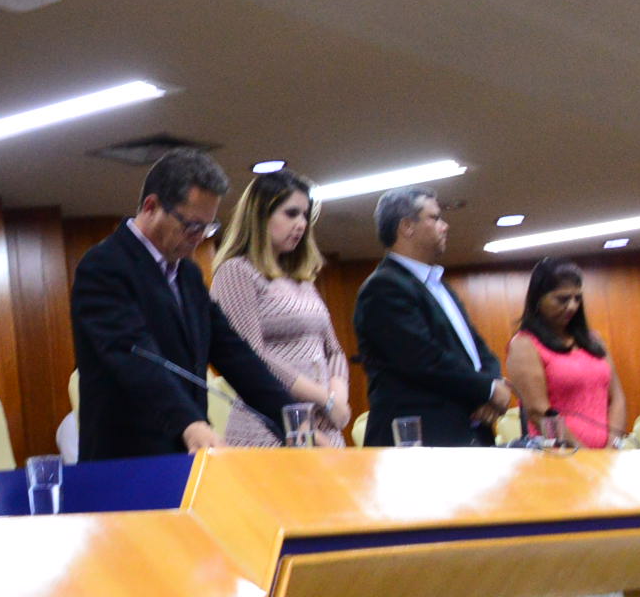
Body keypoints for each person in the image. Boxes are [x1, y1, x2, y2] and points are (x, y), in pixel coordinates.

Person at [73, 149, 328, 461]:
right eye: (192, 225)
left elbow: (234, 354)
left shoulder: (189, 275)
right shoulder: (104, 266)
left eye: (208, 227)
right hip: (127, 458)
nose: (199, 238)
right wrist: (189, 423)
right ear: (151, 207)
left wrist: (291, 421)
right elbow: (132, 356)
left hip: (186, 452)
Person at [352, 188, 510, 448]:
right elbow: (424, 360)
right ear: (407, 226)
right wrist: (489, 390)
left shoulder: (438, 285)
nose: (445, 226)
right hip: (419, 439)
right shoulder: (383, 288)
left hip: (466, 432)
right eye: (435, 218)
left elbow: (478, 348)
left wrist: (492, 385)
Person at [209, 169, 345, 448]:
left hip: (325, 425)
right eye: (291, 213)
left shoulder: (302, 279)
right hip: (267, 427)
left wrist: (338, 396)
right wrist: (324, 397)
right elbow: (250, 356)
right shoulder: (237, 271)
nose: (301, 224)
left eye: (305, 215)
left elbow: (333, 350)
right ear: (261, 216)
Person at [502, 258, 628, 450]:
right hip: (559, 455)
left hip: (606, 455)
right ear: (538, 299)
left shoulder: (593, 339)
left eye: (577, 298)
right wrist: (581, 454)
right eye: (562, 299)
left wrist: (613, 444)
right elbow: (538, 412)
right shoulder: (524, 344)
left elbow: (617, 398)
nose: (572, 306)